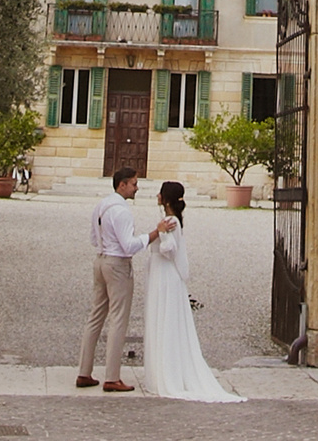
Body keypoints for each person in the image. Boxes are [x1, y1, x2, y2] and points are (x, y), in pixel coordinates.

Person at [137, 181, 243, 401]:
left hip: (165, 274)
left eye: (160, 193)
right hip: (162, 273)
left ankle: (167, 374)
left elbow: (169, 250)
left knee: (165, 320)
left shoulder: (169, 221)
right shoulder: (173, 220)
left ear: (165, 199)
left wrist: (160, 233)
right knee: (165, 320)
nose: (156, 196)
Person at [77, 167, 148, 390]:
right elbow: (129, 246)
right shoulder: (122, 211)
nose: (137, 188)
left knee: (95, 316)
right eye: (134, 184)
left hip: (100, 260)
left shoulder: (101, 206)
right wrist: (152, 235)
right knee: (118, 318)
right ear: (122, 185)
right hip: (117, 264)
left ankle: (84, 371)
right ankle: (112, 376)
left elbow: (92, 237)